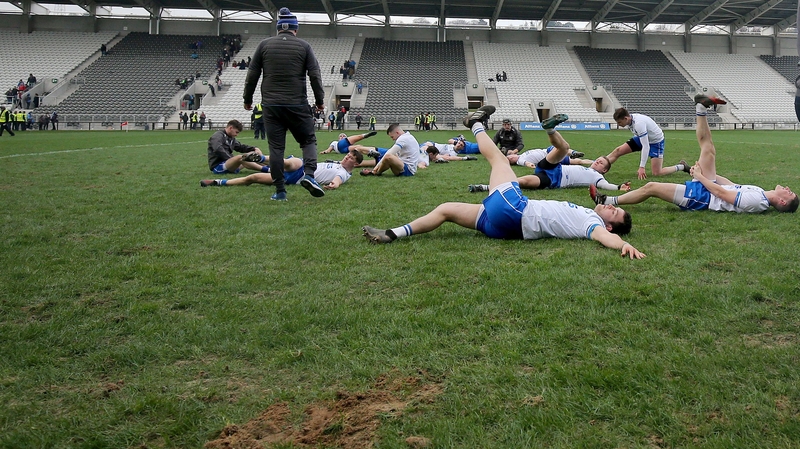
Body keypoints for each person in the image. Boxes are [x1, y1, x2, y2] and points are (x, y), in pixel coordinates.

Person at [362, 106, 644, 259]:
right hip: (505, 228)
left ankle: (476, 123)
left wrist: (621, 244)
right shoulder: (590, 212)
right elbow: (602, 201)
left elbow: (606, 236)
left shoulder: (593, 225)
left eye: (614, 212)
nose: (610, 208)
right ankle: (392, 233)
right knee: (446, 209)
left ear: (608, 224)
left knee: (498, 160)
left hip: (516, 211)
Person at [591, 95, 798, 214]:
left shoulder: (758, 203)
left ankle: (608, 201)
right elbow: (730, 186)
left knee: (651, 187)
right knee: (708, 149)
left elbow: (722, 195)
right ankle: (701, 108)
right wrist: (710, 175)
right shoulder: (761, 193)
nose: (788, 189)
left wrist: (699, 177)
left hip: (702, 198)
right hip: (710, 186)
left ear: (781, 202)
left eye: (789, 193)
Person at [243, 7, 326, 201]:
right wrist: (320, 101)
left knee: (276, 149)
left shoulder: (264, 45)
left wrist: (247, 99)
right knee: (307, 140)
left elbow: (252, 75)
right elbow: (315, 75)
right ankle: (310, 176)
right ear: (295, 30)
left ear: (278, 29)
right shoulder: (304, 46)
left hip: (271, 106)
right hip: (297, 103)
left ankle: (280, 191)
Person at [469, 118, 635, 193]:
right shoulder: (584, 167)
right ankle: (550, 128)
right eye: (598, 159)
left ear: (604, 170)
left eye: (601, 163)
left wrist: (619, 187)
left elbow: (607, 187)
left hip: (554, 180)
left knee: (523, 182)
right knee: (564, 148)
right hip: (554, 167)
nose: (597, 162)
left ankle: (485, 187)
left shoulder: (598, 179)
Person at [201, 149, 363, 191]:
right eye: (347, 155)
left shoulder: (343, 173)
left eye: (350, 158)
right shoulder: (338, 164)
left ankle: (217, 182)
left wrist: (333, 186)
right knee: (289, 162)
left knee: (253, 178)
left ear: (355, 165)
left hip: (298, 178)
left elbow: (337, 181)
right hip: (302, 165)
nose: (346, 158)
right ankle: (261, 158)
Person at [607, 107, 689, 180]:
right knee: (619, 150)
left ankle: (682, 167)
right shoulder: (630, 120)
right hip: (642, 138)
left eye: (619, 122)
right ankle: (599, 164)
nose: (618, 125)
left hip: (656, 142)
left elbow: (645, 146)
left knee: (657, 173)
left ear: (625, 118)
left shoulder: (639, 123)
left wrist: (642, 167)